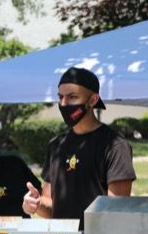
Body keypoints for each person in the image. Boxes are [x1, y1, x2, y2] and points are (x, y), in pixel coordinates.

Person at [22, 67, 135, 222]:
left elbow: (116, 210)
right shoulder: (56, 145)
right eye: (60, 97)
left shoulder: (114, 145)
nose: (64, 103)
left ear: (93, 100)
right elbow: (51, 207)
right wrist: (36, 204)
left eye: (72, 97)